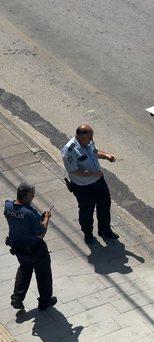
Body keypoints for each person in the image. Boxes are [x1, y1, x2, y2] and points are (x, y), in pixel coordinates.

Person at [61, 124, 119, 244]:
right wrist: (92, 174)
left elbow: (95, 152)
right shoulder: (70, 150)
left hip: (98, 182)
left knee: (104, 206)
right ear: (80, 136)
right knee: (86, 212)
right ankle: (88, 234)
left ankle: (105, 230)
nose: (92, 139)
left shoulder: (88, 142)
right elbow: (74, 171)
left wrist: (107, 156)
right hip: (83, 188)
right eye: (89, 137)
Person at [4, 182, 57, 311]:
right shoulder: (29, 214)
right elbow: (41, 234)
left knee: (24, 269)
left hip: (18, 248)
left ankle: (17, 298)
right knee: (43, 275)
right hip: (35, 249)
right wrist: (46, 218)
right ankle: (45, 301)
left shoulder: (8, 206)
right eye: (32, 194)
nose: (33, 196)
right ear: (25, 195)